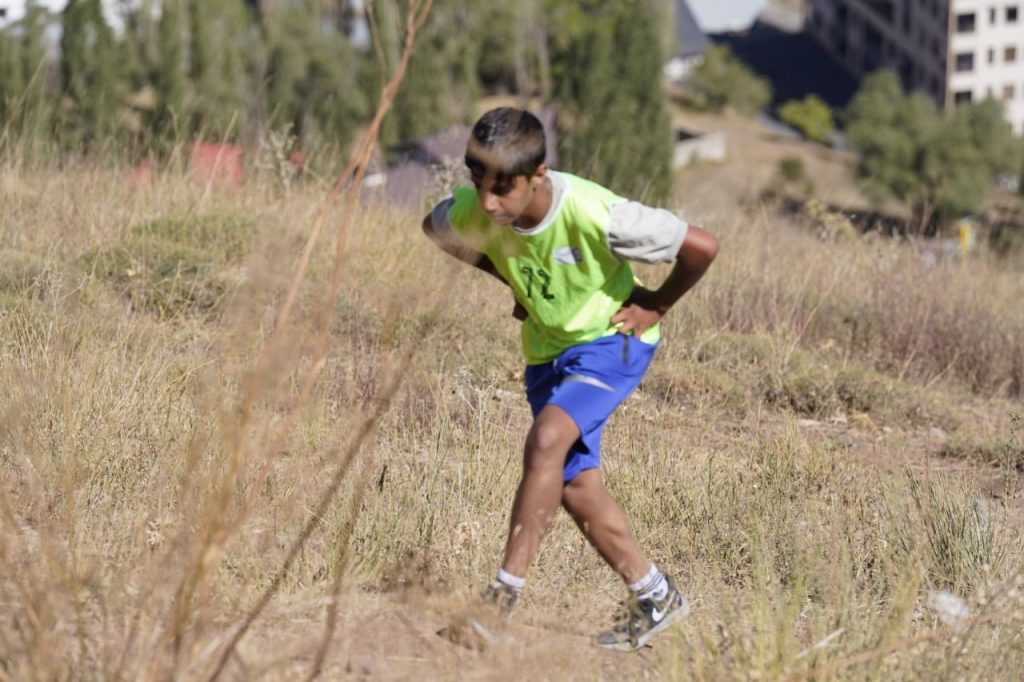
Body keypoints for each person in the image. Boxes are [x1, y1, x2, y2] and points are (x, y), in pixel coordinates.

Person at [422, 108, 718, 651]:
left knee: (548, 439)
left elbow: (702, 246)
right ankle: (655, 596)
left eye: (502, 189)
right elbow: (435, 227)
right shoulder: (477, 210)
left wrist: (656, 305)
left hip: (612, 343)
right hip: (547, 353)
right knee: (576, 486)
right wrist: (510, 279)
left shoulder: (595, 213)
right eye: (478, 184)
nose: (488, 203)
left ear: (538, 175)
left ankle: (498, 604)